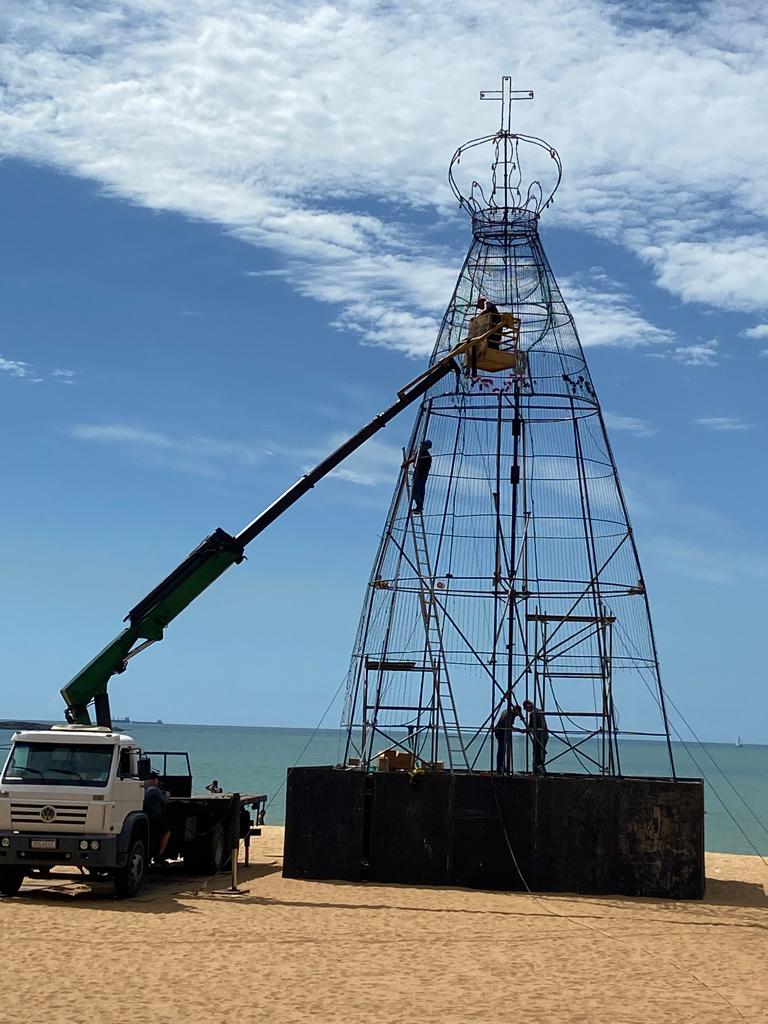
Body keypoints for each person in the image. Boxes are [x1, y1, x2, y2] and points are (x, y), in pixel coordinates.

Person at [143, 770, 171, 859]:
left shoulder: (144, 787)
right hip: (156, 817)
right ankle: (160, 854)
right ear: (155, 780)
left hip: (145, 816)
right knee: (167, 831)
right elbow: (164, 802)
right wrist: (167, 795)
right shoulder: (155, 790)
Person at [493, 702, 522, 774]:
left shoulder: (506, 711)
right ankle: (500, 768)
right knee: (501, 750)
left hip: (498, 731)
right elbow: (509, 726)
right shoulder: (510, 714)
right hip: (501, 733)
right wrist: (520, 730)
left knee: (502, 750)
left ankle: (502, 767)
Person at [523, 699, 549, 773]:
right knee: (540, 753)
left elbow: (530, 726)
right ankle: (539, 769)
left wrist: (526, 729)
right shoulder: (540, 711)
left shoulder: (533, 714)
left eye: (525, 708)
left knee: (537, 753)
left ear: (528, 706)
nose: (526, 710)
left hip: (539, 736)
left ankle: (538, 769)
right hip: (544, 735)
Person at [408, 439, 433, 514]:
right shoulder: (424, 453)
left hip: (420, 476)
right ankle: (419, 506)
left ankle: (419, 507)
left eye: (424, 445)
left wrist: (406, 463)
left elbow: (414, 459)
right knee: (419, 491)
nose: (422, 446)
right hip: (421, 475)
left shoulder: (425, 454)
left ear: (427, 447)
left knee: (416, 491)